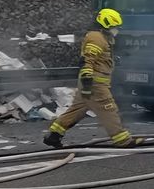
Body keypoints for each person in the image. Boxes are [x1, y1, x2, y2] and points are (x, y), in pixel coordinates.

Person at [43, 8, 145, 148]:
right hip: (95, 84)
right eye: (115, 27)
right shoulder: (96, 38)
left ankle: (53, 135)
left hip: (92, 83)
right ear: (106, 24)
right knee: (109, 109)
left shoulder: (102, 38)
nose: (117, 30)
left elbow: (98, 58)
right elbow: (88, 60)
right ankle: (122, 140)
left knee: (77, 110)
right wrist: (87, 80)